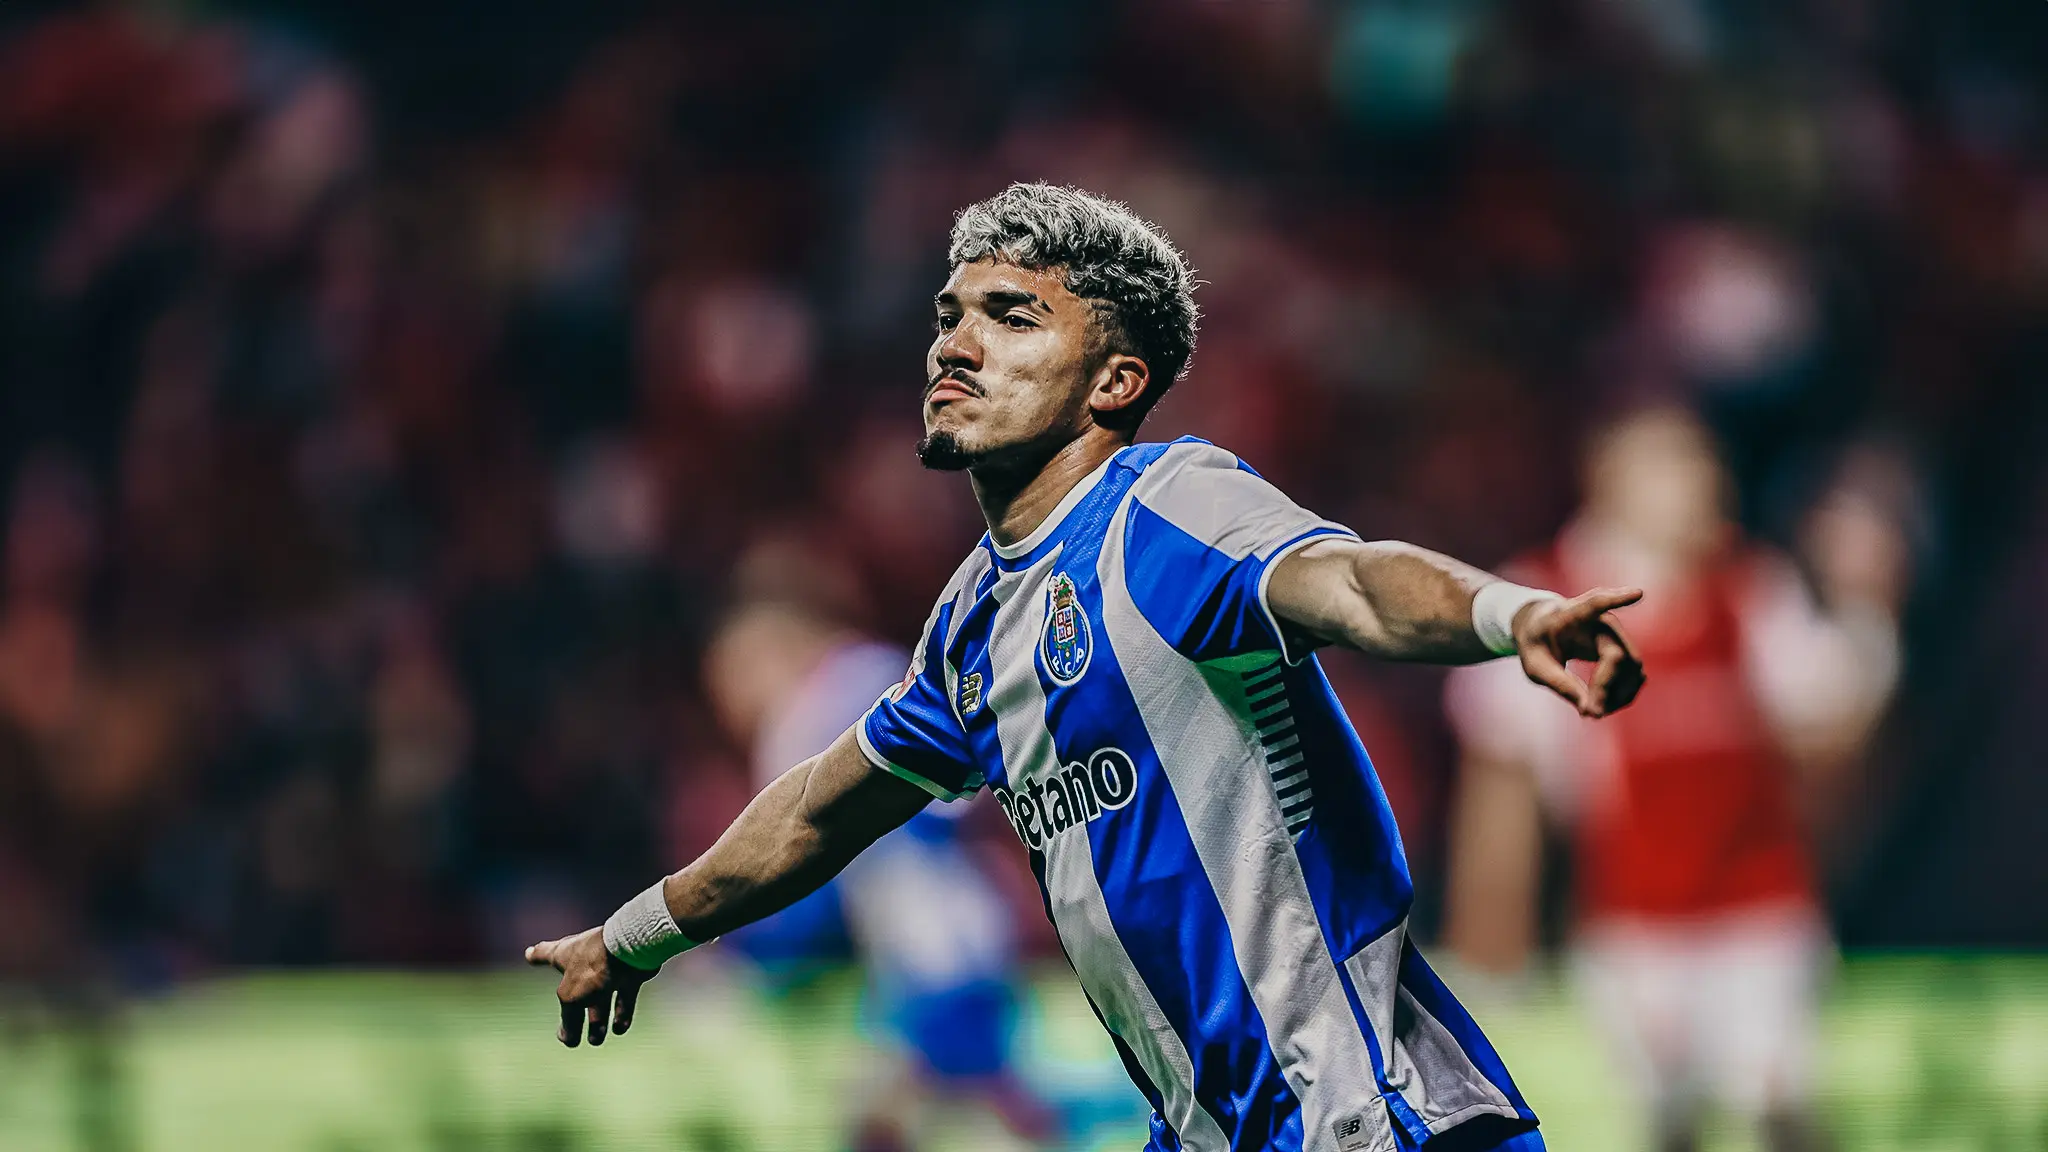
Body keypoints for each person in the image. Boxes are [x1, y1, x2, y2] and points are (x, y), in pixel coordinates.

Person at [526, 183, 1647, 1152]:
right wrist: (636, 936)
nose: (955, 346)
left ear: (1112, 383)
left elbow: (1348, 581)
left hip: (1368, 1116)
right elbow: (822, 809)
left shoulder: (1165, 509)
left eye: (1011, 318)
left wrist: (1505, 614)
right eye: (951, 316)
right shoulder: (972, 623)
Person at [1441, 409, 1903, 1152]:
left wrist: (1867, 614)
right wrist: (1491, 947)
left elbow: (1823, 735)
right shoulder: (1544, 601)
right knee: (1664, 1123)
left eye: (1704, 464)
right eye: (1673, 465)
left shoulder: (1751, 590)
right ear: (1608, 481)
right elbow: (1503, 790)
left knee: (1781, 1105)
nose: (1702, 484)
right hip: (1632, 929)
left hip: (1759, 912)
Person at [701, 594, 1053, 1150]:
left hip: (932, 950)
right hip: (960, 933)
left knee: (960, 1110)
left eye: (733, 679)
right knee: (942, 1106)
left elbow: (802, 873)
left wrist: (740, 949)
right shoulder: (885, 674)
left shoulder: (804, 722)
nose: (730, 704)